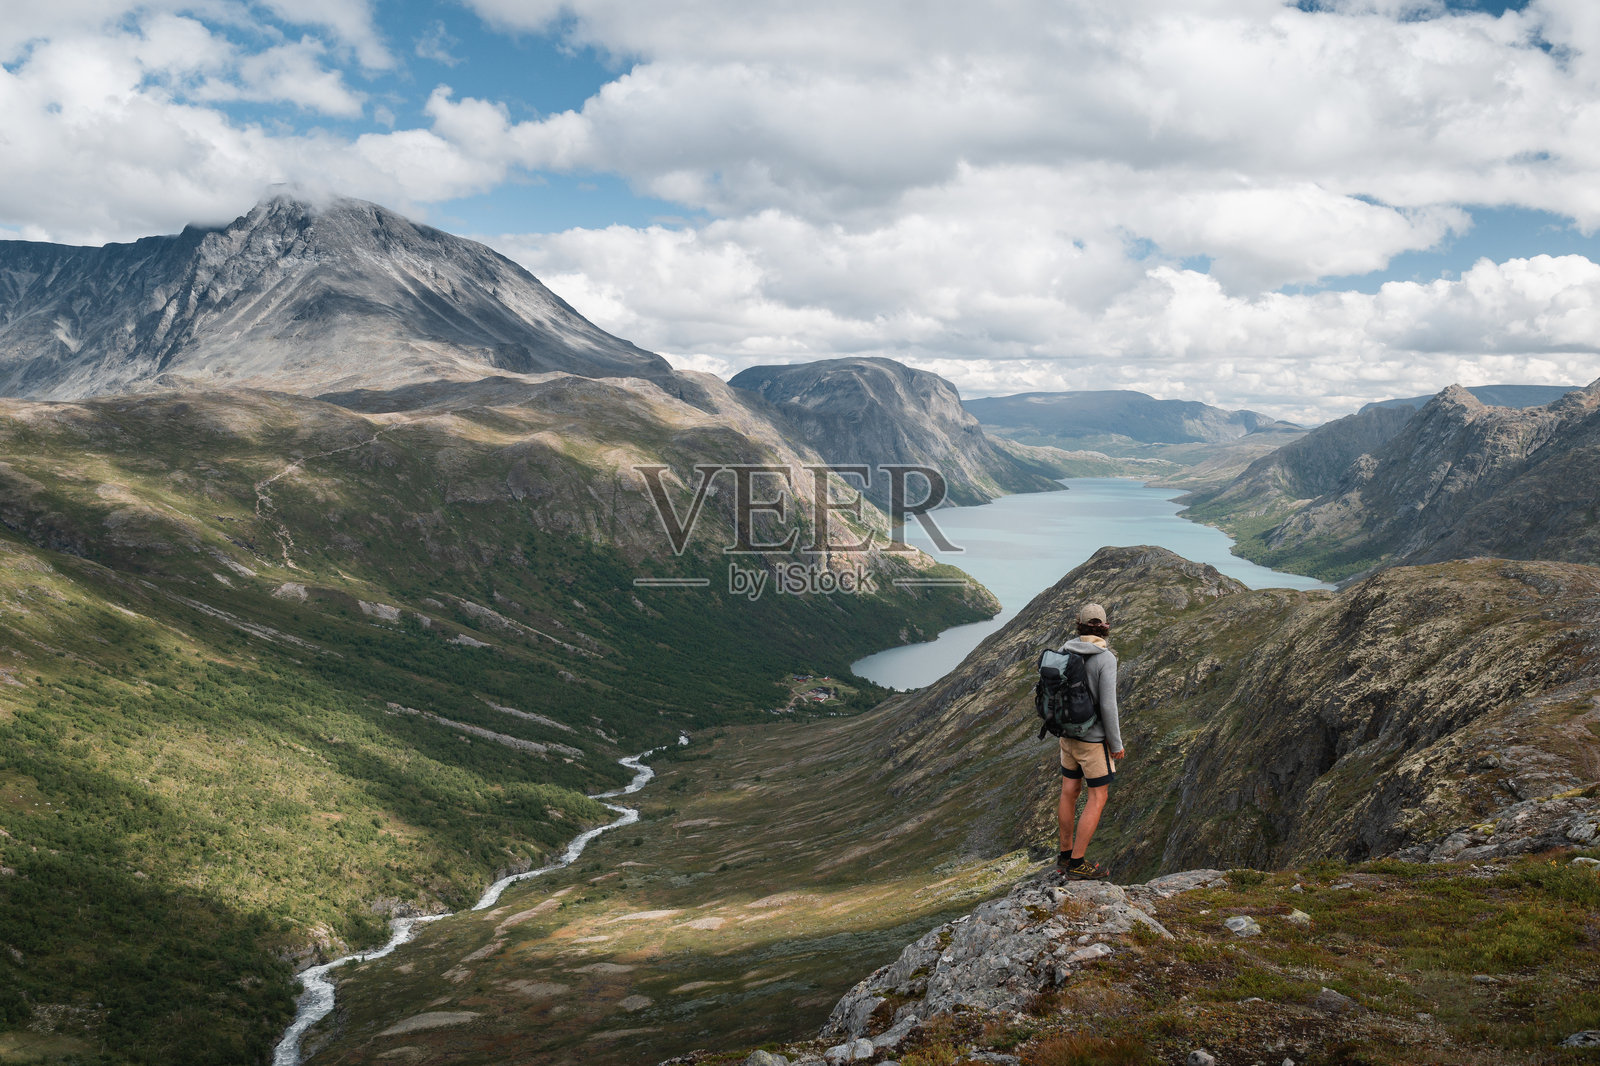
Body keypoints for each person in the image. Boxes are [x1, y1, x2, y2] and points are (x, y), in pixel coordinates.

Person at [1055, 601, 1124, 879]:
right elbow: (1108, 706)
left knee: (1069, 792)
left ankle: (1064, 855)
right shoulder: (1106, 659)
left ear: (1079, 624)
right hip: (1092, 743)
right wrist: (1116, 745)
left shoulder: (1063, 651)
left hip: (1066, 738)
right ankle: (1077, 863)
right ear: (1105, 627)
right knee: (1098, 796)